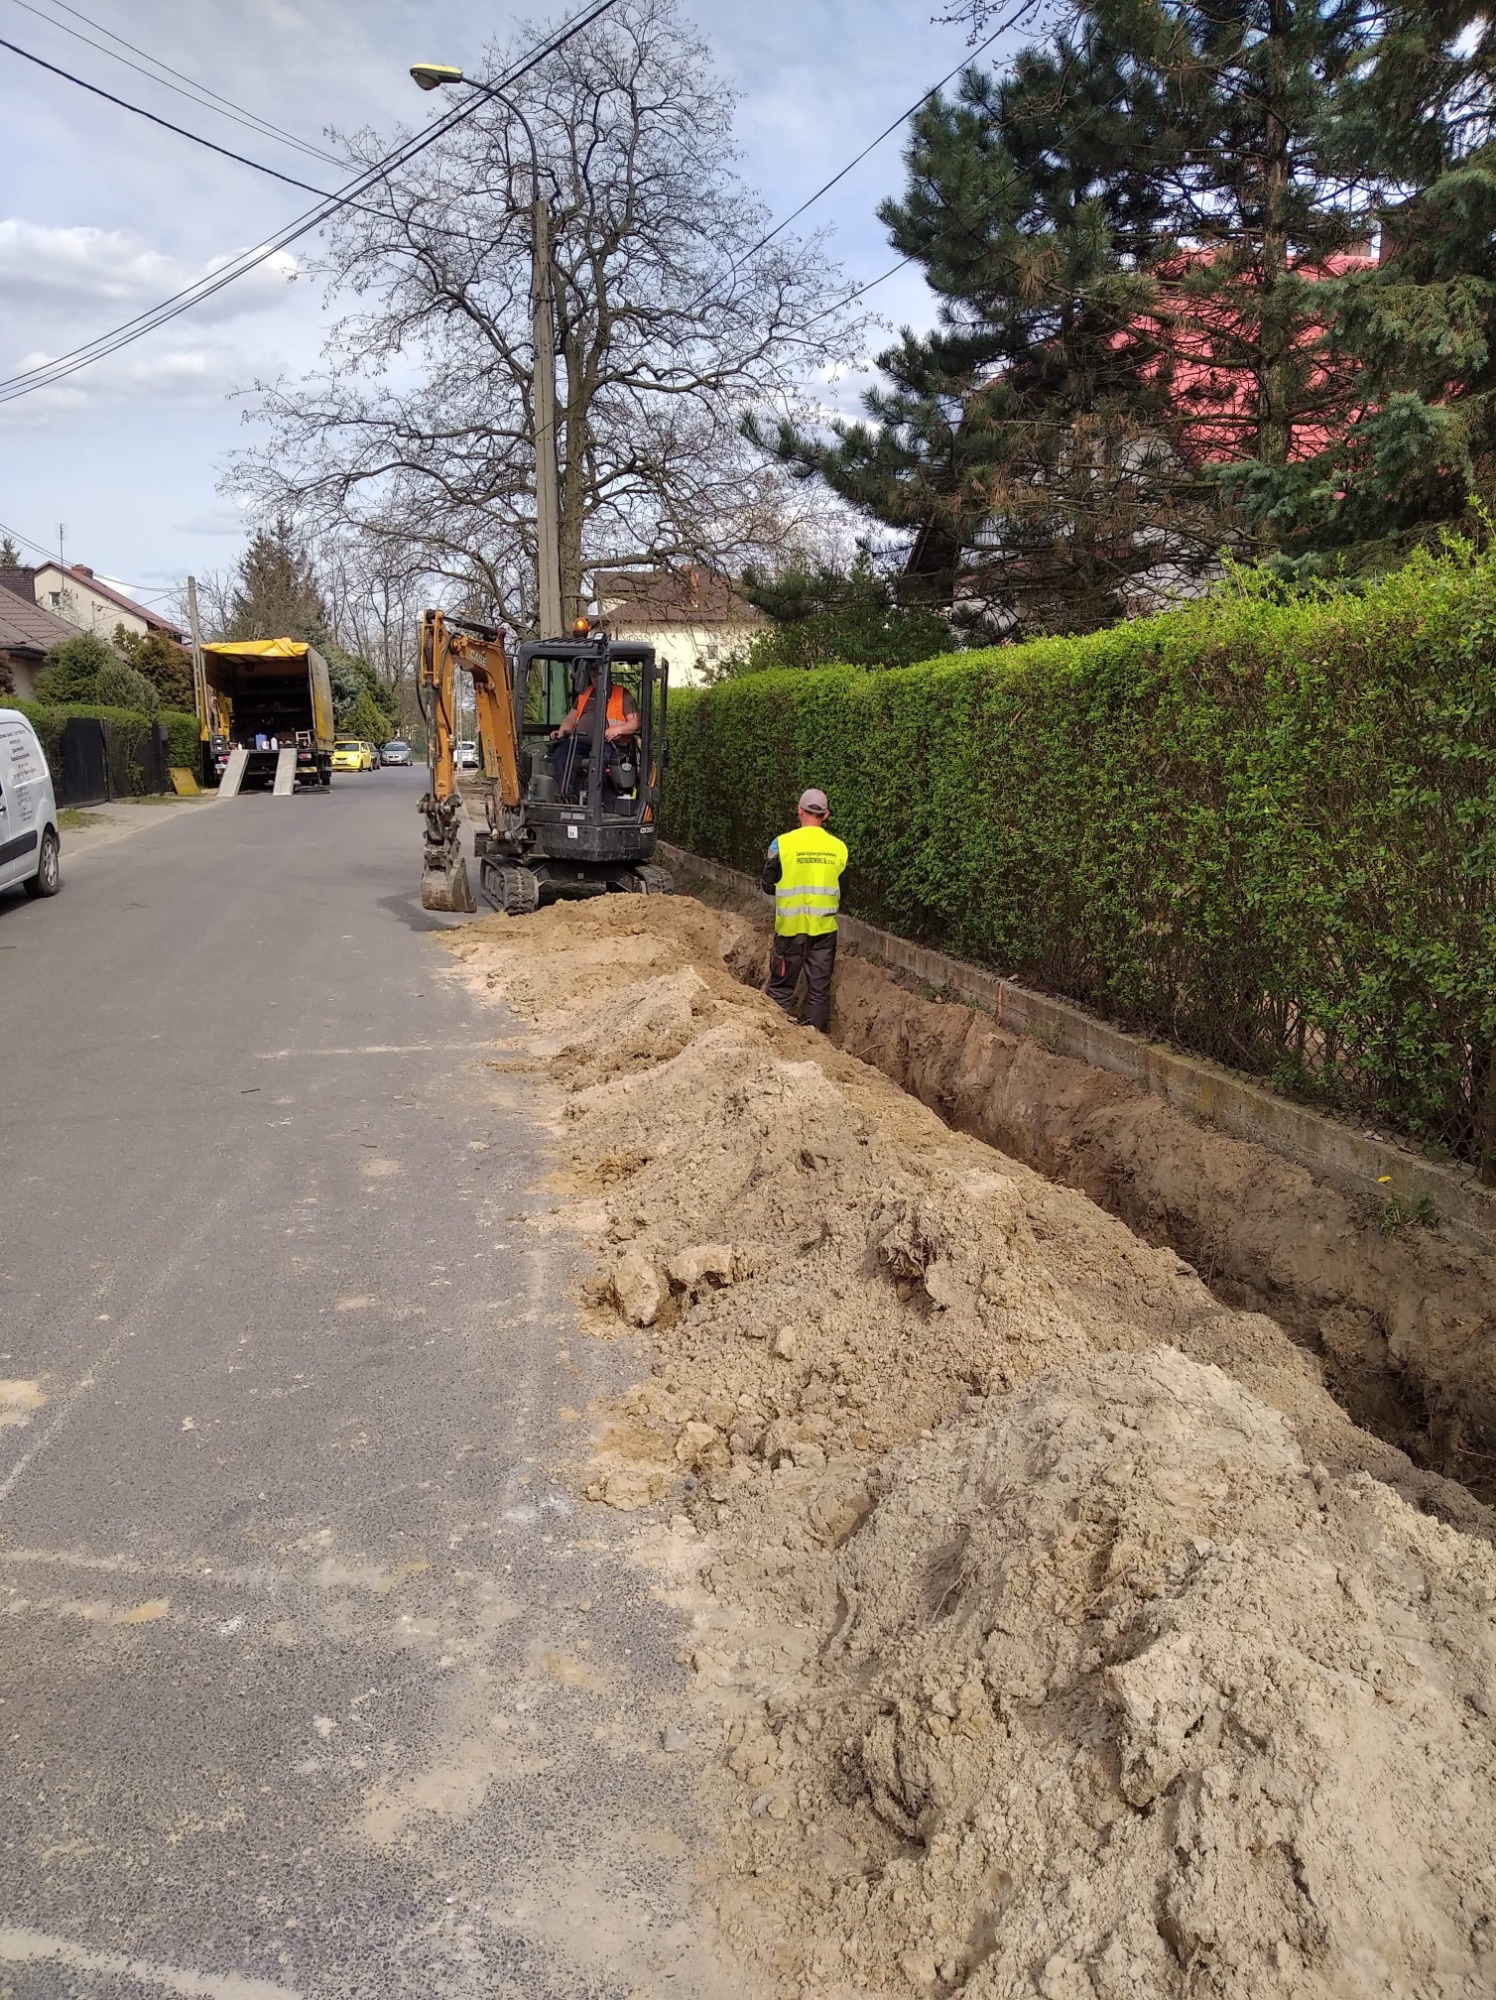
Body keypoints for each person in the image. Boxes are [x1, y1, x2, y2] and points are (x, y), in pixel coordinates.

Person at [761, 788, 848, 1032]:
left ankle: (774, 1037)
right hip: (824, 931)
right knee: (818, 991)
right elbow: (844, 889)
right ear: (826, 815)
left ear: (799, 811)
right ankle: (816, 1043)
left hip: (790, 932)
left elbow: (768, 885)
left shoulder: (781, 844)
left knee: (781, 989)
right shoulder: (839, 848)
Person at [549, 664, 640, 803]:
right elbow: (570, 719)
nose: (595, 676)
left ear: (607, 672)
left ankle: (595, 801)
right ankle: (567, 797)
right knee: (561, 755)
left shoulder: (622, 694)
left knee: (597, 760)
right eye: (592, 672)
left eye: (598, 672)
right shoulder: (585, 693)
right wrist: (561, 732)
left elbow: (635, 723)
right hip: (581, 742)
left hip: (609, 744)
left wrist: (617, 730)